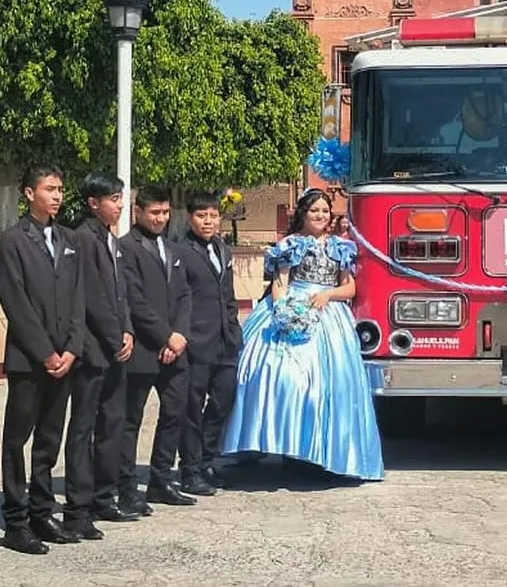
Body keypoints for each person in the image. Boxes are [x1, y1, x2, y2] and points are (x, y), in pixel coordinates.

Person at [221, 188, 384, 482]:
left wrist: (329, 295)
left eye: (324, 210)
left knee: (330, 385)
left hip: (328, 315)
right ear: (303, 215)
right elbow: (280, 283)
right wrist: (283, 311)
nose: (320, 215)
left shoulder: (340, 246)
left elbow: (350, 288)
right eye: (314, 211)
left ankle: (323, 451)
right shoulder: (290, 245)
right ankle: (285, 444)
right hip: (292, 306)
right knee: (278, 376)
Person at [0, 165, 84, 555]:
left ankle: (42, 513)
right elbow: (17, 304)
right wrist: (45, 352)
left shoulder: (68, 239)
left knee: (49, 439)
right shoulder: (11, 241)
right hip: (30, 360)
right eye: (50, 189)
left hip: (65, 358)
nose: (58, 196)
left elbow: (79, 298)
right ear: (30, 193)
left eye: (61, 189)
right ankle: (15, 520)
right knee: (18, 439)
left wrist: (72, 349)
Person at [61, 172, 140, 538]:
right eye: (113, 198)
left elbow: (119, 293)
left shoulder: (112, 239)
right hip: (93, 350)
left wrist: (127, 331)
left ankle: (105, 497)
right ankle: (79, 505)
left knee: (113, 424)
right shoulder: (83, 238)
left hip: (116, 349)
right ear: (94, 203)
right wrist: (113, 336)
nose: (120, 205)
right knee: (84, 429)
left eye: (121, 198)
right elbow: (92, 296)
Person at [118, 186, 196, 509]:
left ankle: (161, 479)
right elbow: (134, 301)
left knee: (175, 412)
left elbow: (184, 296)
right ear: (138, 212)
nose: (161, 218)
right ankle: (124, 485)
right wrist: (165, 336)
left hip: (175, 350)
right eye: (155, 213)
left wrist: (179, 336)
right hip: (143, 350)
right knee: (130, 420)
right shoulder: (125, 248)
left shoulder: (173, 249)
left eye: (165, 213)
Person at [175, 192, 243, 495]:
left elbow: (227, 295)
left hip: (225, 341)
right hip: (195, 342)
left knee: (221, 403)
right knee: (191, 408)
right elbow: (177, 298)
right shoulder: (180, 251)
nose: (209, 221)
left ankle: (206, 460)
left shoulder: (222, 248)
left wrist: (234, 330)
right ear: (190, 218)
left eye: (213, 215)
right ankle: (189, 470)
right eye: (202, 216)